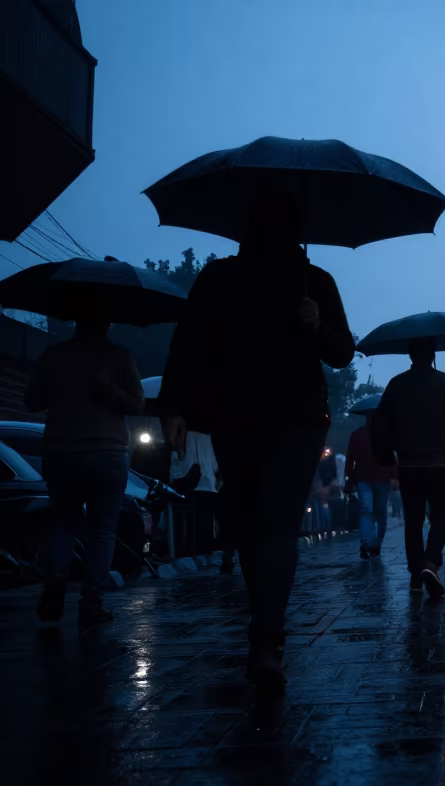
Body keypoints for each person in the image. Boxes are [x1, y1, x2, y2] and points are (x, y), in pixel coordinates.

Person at [161, 190, 355, 689]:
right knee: (251, 521)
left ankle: (266, 636)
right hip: (238, 415)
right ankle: (265, 627)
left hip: (294, 418)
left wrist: (316, 325)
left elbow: (341, 351)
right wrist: (175, 405)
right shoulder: (222, 279)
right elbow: (190, 343)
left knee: (271, 521)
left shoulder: (313, 284)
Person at [26, 302, 144, 628]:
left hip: (61, 450)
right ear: (108, 323)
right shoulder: (119, 356)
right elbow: (136, 404)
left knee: (62, 521)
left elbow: (32, 402)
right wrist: (108, 389)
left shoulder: (54, 356)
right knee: (102, 530)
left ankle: (56, 579)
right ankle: (91, 603)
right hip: (107, 453)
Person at [371, 337, 445, 597]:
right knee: (440, 516)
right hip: (440, 462)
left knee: (413, 520)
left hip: (410, 463)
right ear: (433, 355)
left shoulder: (396, 384)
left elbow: (380, 422)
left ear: (410, 357)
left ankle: (416, 574)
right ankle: (431, 562)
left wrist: (387, 454)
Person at [344, 413, 397, 560]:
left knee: (378, 514)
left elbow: (394, 457)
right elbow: (351, 457)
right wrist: (349, 476)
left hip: (378, 478)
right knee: (368, 511)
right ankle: (367, 543)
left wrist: (394, 476)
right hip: (366, 478)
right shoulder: (358, 435)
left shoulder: (387, 435)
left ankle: (375, 543)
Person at [168, 429, 220, 557]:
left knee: (202, 521)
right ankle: (198, 551)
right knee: (197, 521)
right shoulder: (195, 436)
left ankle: (200, 552)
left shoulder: (201, 437)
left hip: (202, 481)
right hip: (197, 480)